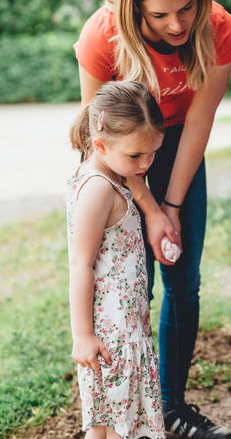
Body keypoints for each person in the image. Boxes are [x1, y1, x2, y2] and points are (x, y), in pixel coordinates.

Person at [73, 0, 231, 438]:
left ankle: (171, 407)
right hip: (118, 160)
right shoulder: (100, 39)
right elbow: (96, 135)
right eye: (159, 15)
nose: (176, 25)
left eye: (185, 9)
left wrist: (170, 204)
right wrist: (145, 204)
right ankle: (122, 411)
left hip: (180, 152)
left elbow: (199, 122)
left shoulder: (219, 30)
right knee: (130, 285)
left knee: (182, 277)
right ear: (133, 8)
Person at [67, 81, 166, 439]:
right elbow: (80, 265)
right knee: (112, 425)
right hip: (112, 337)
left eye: (153, 152)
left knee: (113, 423)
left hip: (125, 329)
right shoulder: (98, 188)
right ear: (100, 144)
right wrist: (83, 335)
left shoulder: (112, 177)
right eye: (135, 156)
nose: (145, 164)